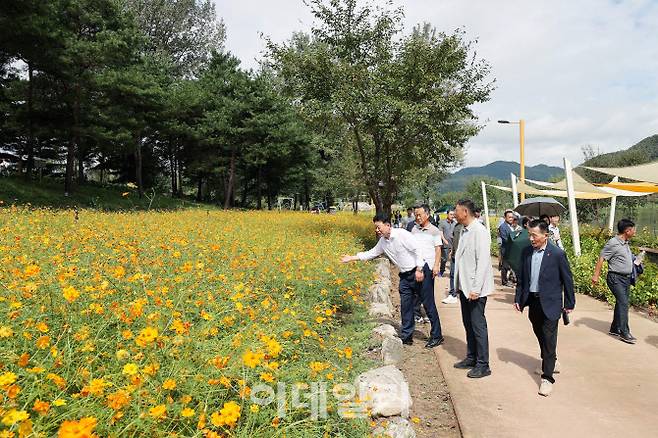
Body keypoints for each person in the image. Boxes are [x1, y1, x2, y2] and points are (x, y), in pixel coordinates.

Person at [340, 214, 443, 348]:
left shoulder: (402, 234)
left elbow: (418, 250)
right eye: (376, 228)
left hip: (420, 272)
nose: (377, 230)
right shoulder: (383, 241)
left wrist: (419, 269)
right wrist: (352, 258)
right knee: (406, 306)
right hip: (405, 276)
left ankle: (436, 336)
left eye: (379, 227)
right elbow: (372, 253)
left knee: (428, 305)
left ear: (388, 225)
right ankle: (406, 336)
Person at [514, 219, 575, 397]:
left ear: (545, 235)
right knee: (539, 333)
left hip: (551, 302)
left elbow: (567, 280)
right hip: (533, 301)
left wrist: (569, 303)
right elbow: (521, 278)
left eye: (534, 235)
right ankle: (551, 359)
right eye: (529, 235)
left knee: (549, 338)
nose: (531, 238)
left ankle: (547, 377)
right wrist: (518, 299)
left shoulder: (557, 254)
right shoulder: (526, 252)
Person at [452, 199, 494, 378]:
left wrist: (476, 288)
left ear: (465, 212)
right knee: (468, 324)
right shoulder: (464, 230)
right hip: (464, 287)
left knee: (478, 326)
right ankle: (471, 357)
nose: (454, 214)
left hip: (475, 289)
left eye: (456, 211)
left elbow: (483, 262)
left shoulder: (480, 231)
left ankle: (483, 364)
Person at [591, 219, 637, 344]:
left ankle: (615, 328)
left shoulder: (625, 242)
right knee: (624, 303)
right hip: (615, 278)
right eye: (633, 229)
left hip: (626, 279)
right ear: (627, 231)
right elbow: (602, 257)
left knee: (621, 302)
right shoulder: (613, 243)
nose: (635, 231)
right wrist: (596, 275)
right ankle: (624, 332)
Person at [409, 204, 445, 346]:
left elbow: (438, 250)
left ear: (427, 215)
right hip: (416, 268)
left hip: (428, 268)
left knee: (428, 302)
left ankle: (437, 335)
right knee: (415, 300)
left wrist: (436, 266)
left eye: (420, 214)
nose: (417, 217)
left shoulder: (434, 231)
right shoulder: (414, 229)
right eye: (416, 215)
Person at [441, 220, 463, 304]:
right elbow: (454, 240)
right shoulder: (457, 225)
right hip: (455, 255)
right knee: (453, 274)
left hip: (462, 257)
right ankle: (453, 294)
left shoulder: (468, 226)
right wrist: (452, 251)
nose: (454, 215)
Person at [498, 210, 515, 286]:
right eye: (509, 217)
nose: (511, 219)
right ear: (505, 218)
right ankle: (504, 281)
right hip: (506, 249)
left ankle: (511, 279)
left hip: (512, 249)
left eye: (512, 217)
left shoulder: (513, 226)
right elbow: (505, 239)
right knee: (505, 266)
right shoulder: (502, 227)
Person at [439, 210, 456, 276]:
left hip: (453, 244)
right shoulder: (442, 222)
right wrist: (444, 240)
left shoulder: (455, 223)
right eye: (451, 214)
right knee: (444, 259)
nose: (452, 216)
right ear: (447, 214)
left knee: (453, 259)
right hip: (445, 244)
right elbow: (440, 233)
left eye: (453, 215)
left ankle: (452, 273)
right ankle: (441, 271)